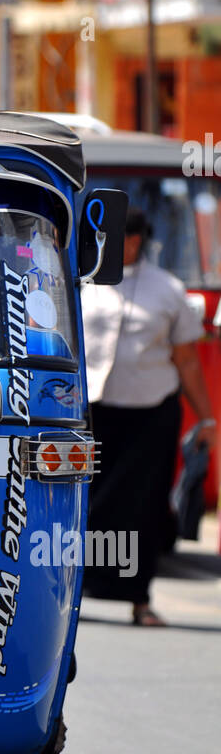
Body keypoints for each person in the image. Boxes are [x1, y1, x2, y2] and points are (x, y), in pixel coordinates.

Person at [81, 207, 216, 625]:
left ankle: (139, 599)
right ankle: (75, 595)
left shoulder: (168, 289)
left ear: (143, 240)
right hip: (91, 413)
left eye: (134, 239)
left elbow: (187, 360)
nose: (127, 245)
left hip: (149, 418)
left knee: (142, 510)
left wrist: (207, 419)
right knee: (85, 505)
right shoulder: (81, 281)